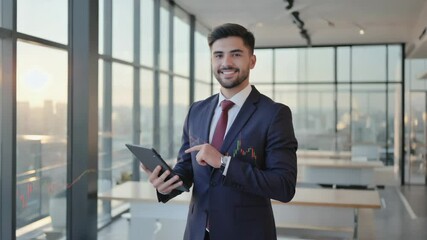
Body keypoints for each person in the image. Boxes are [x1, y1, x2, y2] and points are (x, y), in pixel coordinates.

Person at [142, 23, 298, 240]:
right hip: (197, 233)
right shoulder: (197, 110)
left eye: (236, 54)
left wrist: (224, 163)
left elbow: (284, 186)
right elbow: (186, 167)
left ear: (252, 61)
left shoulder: (273, 114)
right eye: (218, 55)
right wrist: (167, 184)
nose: (226, 63)